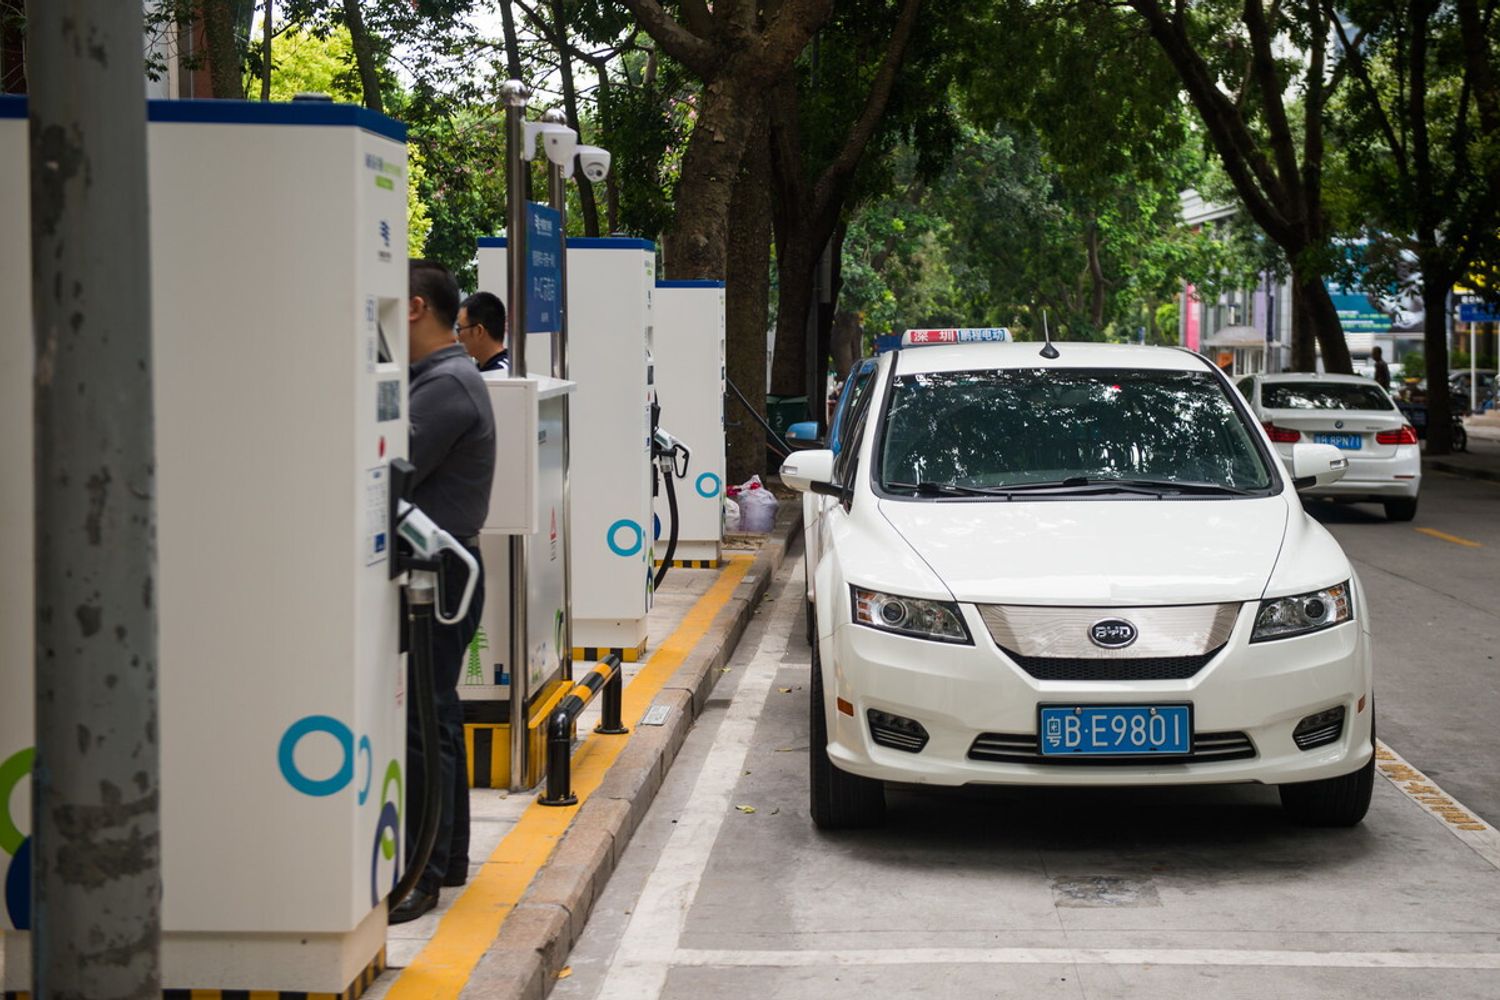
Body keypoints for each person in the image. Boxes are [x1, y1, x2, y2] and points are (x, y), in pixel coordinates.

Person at [392, 259, 496, 923]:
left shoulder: (444, 387)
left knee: (424, 724)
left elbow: (385, 473)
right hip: (444, 570)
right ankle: (448, 859)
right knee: (439, 715)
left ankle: (423, 875)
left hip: (438, 577)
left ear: (412, 307)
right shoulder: (445, 377)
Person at [457, 291, 509, 373]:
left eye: (460, 329)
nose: (457, 337)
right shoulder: (479, 370)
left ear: (478, 331)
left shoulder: (505, 375)